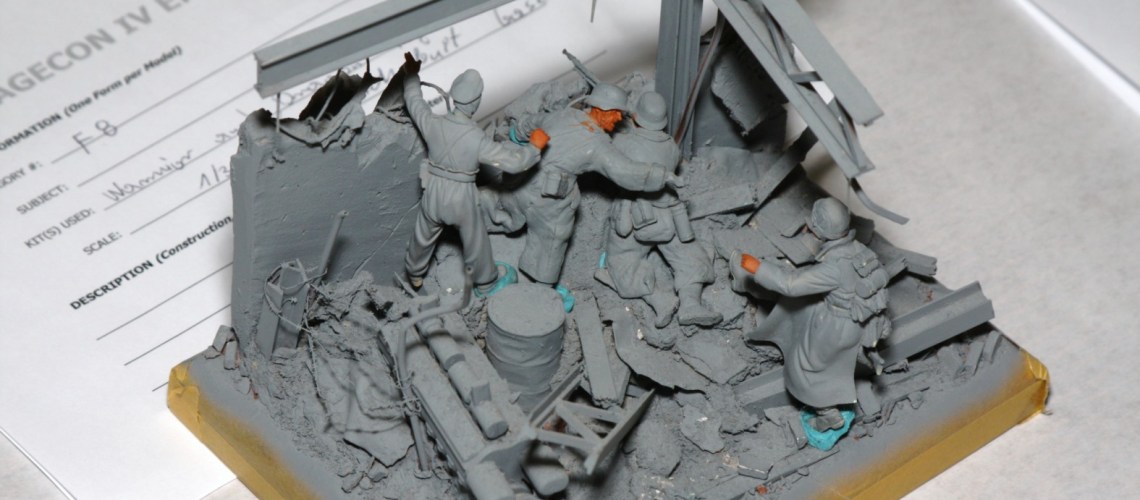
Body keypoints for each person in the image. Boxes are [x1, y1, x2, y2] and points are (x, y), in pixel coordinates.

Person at [482, 82, 683, 309]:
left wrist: (517, 134)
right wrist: (661, 175)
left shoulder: (564, 115)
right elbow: (625, 171)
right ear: (603, 110)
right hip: (549, 200)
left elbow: (534, 121)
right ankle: (543, 290)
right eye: (617, 113)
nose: (619, 119)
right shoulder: (597, 145)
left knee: (500, 206)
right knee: (554, 236)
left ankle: (469, 218)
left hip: (521, 179)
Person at [730, 197, 890, 432]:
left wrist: (758, 268)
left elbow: (791, 285)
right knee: (814, 341)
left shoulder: (834, 267)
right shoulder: (860, 251)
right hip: (859, 322)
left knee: (805, 368)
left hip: (837, 326)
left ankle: (828, 415)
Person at [400, 54, 549, 295]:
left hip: (433, 190)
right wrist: (534, 148)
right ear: (475, 102)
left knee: (423, 235)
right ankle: (486, 283)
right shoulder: (476, 138)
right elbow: (513, 163)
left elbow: (414, 100)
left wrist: (411, 75)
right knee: (475, 241)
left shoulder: (432, 123)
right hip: (462, 196)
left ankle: (414, 273)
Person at [596, 91, 721, 328]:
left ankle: (660, 300)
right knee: (688, 254)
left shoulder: (624, 143)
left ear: (636, 117)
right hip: (667, 213)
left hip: (633, 215)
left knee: (622, 262)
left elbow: (612, 162)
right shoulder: (672, 147)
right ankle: (690, 303)